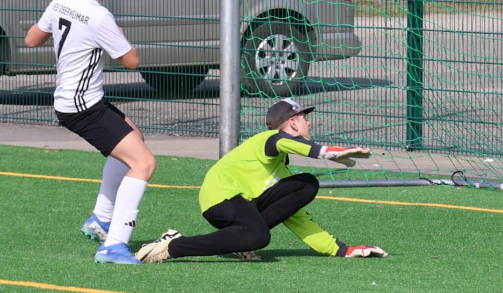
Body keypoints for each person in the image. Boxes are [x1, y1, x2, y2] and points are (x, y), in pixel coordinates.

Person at [25, 0, 154, 265]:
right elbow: (132, 61)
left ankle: (100, 219)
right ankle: (114, 244)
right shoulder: (99, 17)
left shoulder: (61, 1)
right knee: (144, 164)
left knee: (133, 141)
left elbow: (31, 40)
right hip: (84, 107)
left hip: (75, 101)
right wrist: (119, 33)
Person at [135, 98, 387, 262]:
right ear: (293, 124)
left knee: (304, 186)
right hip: (219, 199)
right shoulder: (268, 140)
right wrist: (329, 153)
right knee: (261, 234)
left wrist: (343, 250)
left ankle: (239, 241)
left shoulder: (282, 170)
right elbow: (285, 142)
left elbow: (299, 220)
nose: (309, 122)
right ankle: (174, 246)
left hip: (240, 204)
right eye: (304, 118)